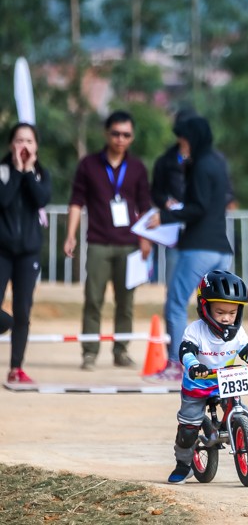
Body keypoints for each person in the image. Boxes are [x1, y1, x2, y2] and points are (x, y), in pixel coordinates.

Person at [166, 270, 248, 484]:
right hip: (198, 382)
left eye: (232, 312)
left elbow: (247, 349)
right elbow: (186, 352)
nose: (226, 318)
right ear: (205, 307)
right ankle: (183, 464)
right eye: (220, 312)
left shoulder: (238, 332)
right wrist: (194, 365)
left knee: (242, 414)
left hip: (226, 380)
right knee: (188, 429)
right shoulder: (195, 331)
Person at [145, 116, 234, 381]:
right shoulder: (218, 164)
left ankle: (176, 363)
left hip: (198, 247)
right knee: (217, 308)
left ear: (192, 138)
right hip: (222, 248)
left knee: (175, 303)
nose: (180, 144)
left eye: (183, 139)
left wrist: (165, 216)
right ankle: (217, 365)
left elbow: (198, 208)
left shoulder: (199, 166)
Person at [64, 110, 152, 371]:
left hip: (129, 244)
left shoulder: (137, 168)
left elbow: (145, 206)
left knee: (126, 302)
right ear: (106, 133)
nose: (120, 139)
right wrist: (70, 235)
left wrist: (146, 238)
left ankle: (121, 350)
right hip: (99, 243)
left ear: (132, 137)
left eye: (126, 135)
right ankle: (89, 352)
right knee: (93, 299)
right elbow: (76, 202)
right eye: (115, 133)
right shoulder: (89, 164)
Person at [0, 123, 51, 383]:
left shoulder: (40, 174)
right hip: (2, 252)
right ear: (11, 144)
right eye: (19, 140)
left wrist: (28, 171)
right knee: (6, 315)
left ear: (36, 147)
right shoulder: (3, 171)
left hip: (28, 254)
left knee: (23, 311)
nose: (24, 145)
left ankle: (16, 367)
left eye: (29, 141)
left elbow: (41, 200)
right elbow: (4, 200)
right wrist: (17, 171)